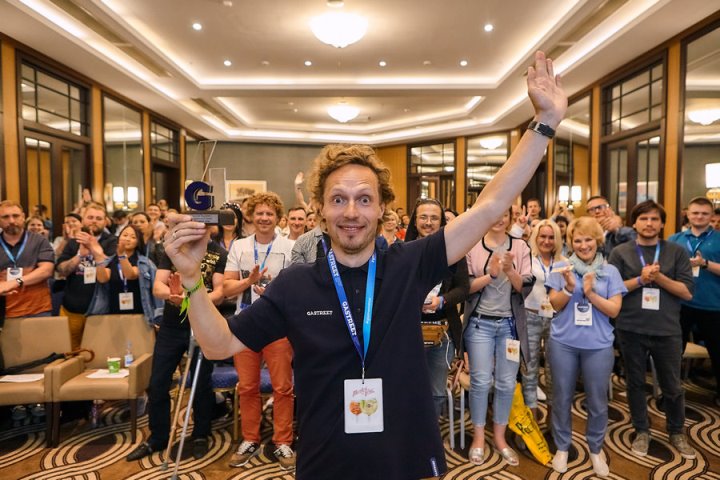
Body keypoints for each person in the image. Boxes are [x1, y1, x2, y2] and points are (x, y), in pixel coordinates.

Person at [162, 51, 566, 480]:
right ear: (320, 209)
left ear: (381, 209)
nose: (351, 211)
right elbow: (218, 345)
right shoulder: (294, 285)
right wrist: (191, 278)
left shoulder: (409, 263)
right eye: (338, 199)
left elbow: (490, 206)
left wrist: (544, 124)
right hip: (326, 458)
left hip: (403, 456)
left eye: (364, 199)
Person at [607, 200, 696, 460]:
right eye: (643, 218)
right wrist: (640, 279)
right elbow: (612, 289)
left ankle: (676, 431)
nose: (649, 223)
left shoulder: (676, 252)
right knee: (635, 382)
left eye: (654, 219)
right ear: (634, 223)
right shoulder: (620, 252)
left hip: (667, 329)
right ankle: (642, 430)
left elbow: (687, 292)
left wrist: (659, 278)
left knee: (672, 385)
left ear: (662, 223)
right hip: (630, 327)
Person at [125, 241, 225, 462]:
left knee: (201, 383)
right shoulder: (173, 250)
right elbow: (158, 286)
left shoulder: (218, 252)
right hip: (171, 326)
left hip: (203, 325)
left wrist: (191, 299)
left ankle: (201, 434)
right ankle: (158, 437)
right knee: (158, 382)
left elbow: (219, 292)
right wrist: (172, 295)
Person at [546, 216, 626, 477]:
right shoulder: (562, 267)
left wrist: (590, 294)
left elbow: (614, 310)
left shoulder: (610, 271)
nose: (583, 245)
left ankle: (595, 448)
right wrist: (570, 288)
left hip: (598, 345)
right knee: (561, 397)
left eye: (588, 239)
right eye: (578, 240)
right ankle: (562, 447)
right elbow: (554, 304)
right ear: (571, 242)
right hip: (563, 343)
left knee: (597, 400)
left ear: (598, 240)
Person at [223, 192, 296, 470]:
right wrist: (248, 282)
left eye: (270, 214)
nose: (264, 218)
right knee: (247, 386)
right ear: (251, 217)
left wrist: (275, 292)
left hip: (278, 325)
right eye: (260, 213)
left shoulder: (290, 246)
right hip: (245, 325)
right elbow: (227, 288)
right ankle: (250, 439)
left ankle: (283, 441)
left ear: (278, 218)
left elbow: (298, 289)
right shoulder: (239, 246)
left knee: (283, 387)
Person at [463, 206, 532, 467]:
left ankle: (500, 438)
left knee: (506, 383)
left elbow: (525, 288)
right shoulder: (473, 245)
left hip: (509, 326)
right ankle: (479, 437)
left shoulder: (521, 246)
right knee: (480, 382)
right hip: (479, 324)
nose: (499, 219)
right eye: (495, 213)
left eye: (505, 214)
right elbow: (465, 287)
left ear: (510, 218)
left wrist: (511, 270)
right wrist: (490, 275)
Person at [405, 198, 469, 418]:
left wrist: (441, 301)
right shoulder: (402, 252)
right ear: (415, 222)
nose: (428, 222)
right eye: (423, 217)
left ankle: (431, 435)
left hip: (443, 332)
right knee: (407, 389)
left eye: (434, 218)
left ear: (442, 222)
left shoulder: (455, 251)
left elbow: (463, 288)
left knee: (436, 393)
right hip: (409, 331)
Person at [668, 196, 720, 405]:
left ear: (711, 216)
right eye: (695, 213)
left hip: (713, 305)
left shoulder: (718, 239)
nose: (699, 216)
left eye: (704, 213)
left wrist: (704, 263)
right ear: (687, 214)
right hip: (680, 304)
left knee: (717, 353)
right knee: (672, 352)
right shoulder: (675, 239)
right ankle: (669, 393)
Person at [56, 202, 118, 349]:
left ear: (105, 221)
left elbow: (111, 271)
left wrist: (94, 249)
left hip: (102, 311)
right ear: (83, 220)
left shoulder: (113, 241)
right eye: (90, 217)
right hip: (72, 308)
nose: (94, 221)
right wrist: (79, 256)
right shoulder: (73, 242)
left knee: (98, 353)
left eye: (98, 218)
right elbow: (61, 270)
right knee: (69, 354)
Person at [522, 219, 565, 421]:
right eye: (542, 237)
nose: (546, 241)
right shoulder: (527, 259)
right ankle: (530, 421)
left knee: (554, 370)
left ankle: (552, 422)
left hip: (557, 318)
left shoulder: (564, 263)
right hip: (530, 316)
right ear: (535, 237)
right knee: (529, 370)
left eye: (551, 237)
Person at [93, 225, 161, 323]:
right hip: (114, 312)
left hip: (140, 314)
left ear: (138, 242)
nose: (128, 239)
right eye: (125, 235)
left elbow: (130, 275)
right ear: (118, 238)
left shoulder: (143, 262)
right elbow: (102, 278)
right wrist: (98, 258)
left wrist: (122, 256)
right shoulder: (111, 261)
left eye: (133, 237)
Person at [0, 201, 54, 318]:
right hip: (4, 312)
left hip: (38, 310)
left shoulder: (39, 241)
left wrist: (15, 282)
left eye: (15, 216)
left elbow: (46, 270)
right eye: (5, 217)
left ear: (23, 217)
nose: (11, 221)